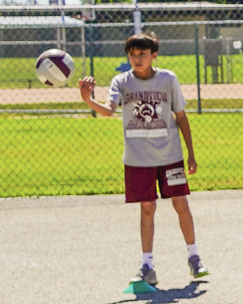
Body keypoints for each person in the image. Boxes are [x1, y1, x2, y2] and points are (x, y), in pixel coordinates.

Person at [77, 33, 203, 285]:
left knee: (180, 203)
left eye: (142, 54)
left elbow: (181, 116)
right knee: (147, 208)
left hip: (170, 155)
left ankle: (194, 257)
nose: (136, 58)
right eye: (132, 55)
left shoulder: (168, 79)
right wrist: (87, 99)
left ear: (154, 55)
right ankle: (147, 265)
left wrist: (190, 153)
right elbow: (109, 110)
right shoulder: (122, 82)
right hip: (138, 159)